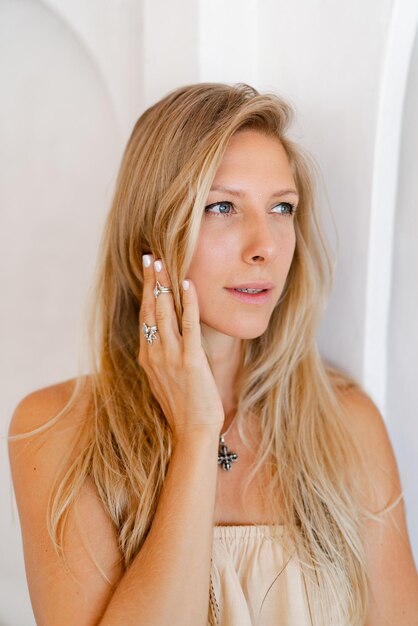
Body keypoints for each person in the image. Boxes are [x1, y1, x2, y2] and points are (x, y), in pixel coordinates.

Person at [8, 82, 418, 626]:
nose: (265, 246)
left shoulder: (346, 425)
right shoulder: (56, 429)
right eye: (223, 206)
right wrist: (197, 434)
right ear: (149, 235)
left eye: (282, 208)